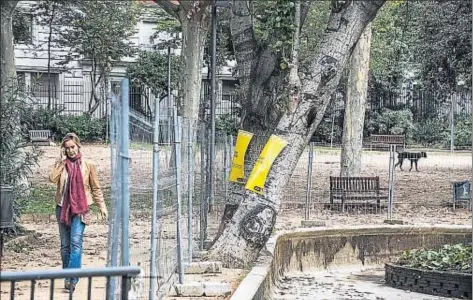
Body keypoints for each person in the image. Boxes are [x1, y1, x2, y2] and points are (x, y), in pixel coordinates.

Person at [49, 133, 108, 292]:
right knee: (64, 246)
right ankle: (68, 276)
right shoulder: (62, 164)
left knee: (76, 242)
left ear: (78, 146)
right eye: (67, 148)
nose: (70, 151)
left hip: (82, 208)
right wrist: (60, 161)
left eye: (72, 147)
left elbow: (95, 188)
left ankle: (71, 279)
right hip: (62, 208)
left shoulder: (88, 165)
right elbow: (52, 179)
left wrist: (102, 206)